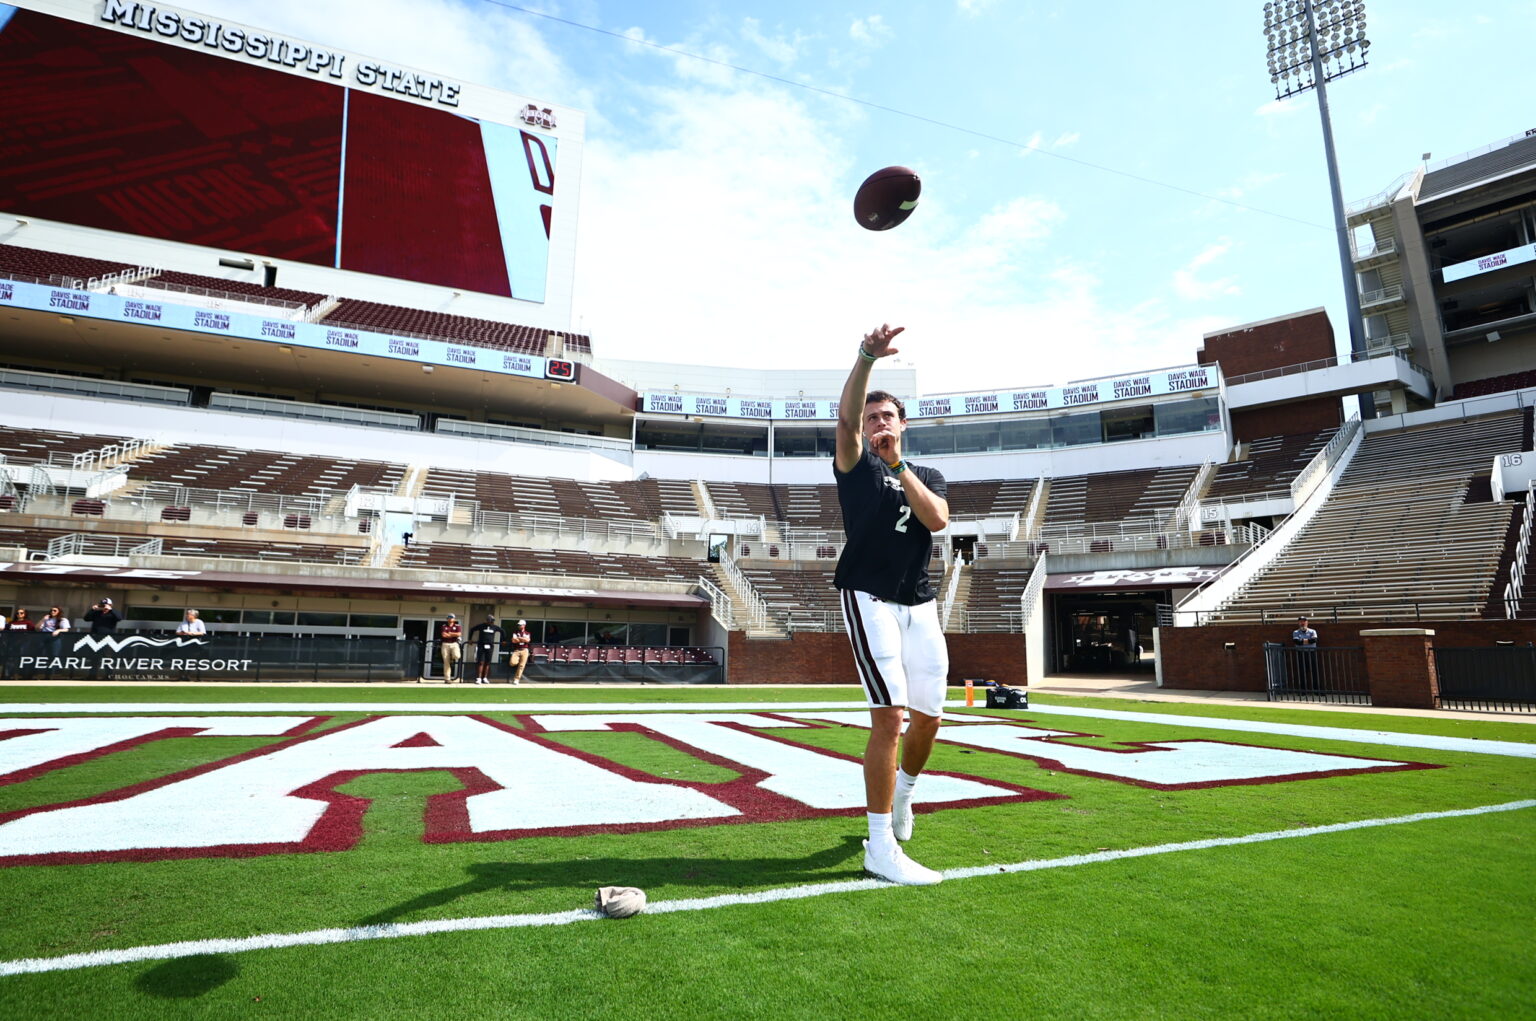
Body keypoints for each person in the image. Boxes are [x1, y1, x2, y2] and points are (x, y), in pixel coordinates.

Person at [834, 323, 951, 887]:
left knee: (930, 717)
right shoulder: (856, 464)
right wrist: (865, 359)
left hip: (920, 603)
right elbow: (845, 417)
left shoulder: (923, 473)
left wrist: (901, 466)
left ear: (903, 424)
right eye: (872, 416)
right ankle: (879, 846)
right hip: (869, 597)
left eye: (888, 416)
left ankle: (904, 796)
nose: (879, 423)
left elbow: (937, 520)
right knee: (890, 717)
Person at [467, 614, 503, 685]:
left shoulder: (494, 627)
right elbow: (472, 629)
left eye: (492, 621)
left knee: (487, 662)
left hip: (490, 646)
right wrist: (470, 639)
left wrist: (503, 640)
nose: (491, 622)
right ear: (487, 620)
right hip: (481, 646)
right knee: (480, 662)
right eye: (490, 621)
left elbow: (502, 631)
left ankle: (485, 678)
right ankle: (479, 678)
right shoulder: (481, 626)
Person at [1291, 615, 1319, 691]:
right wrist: (1308, 641)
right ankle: (1303, 690)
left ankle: (1316, 690)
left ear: (1307, 622)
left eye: (1304, 621)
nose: (1302, 623)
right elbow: (1297, 642)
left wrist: (1302, 641)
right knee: (1302, 672)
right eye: (1300, 622)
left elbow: (1314, 641)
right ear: (1298, 623)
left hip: (1311, 653)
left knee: (1314, 671)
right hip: (1301, 653)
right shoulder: (1295, 632)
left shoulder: (1312, 631)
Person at [438, 613, 463, 682]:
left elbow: (459, 634)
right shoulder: (444, 626)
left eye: (451, 617)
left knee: (457, 656)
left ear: (454, 619)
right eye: (449, 617)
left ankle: (452, 657)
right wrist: (453, 634)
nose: (450, 619)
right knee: (446, 662)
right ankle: (447, 679)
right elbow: (444, 635)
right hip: (445, 644)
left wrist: (450, 633)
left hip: (454, 643)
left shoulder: (457, 626)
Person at [506, 619, 533, 684]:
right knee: (512, 663)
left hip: (525, 650)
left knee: (521, 666)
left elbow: (528, 640)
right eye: (518, 625)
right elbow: (514, 641)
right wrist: (523, 639)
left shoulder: (527, 633)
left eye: (520, 625)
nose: (519, 626)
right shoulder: (515, 632)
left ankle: (516, 679)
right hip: (517, 650)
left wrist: (519, 638)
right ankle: (517, 663)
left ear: (524, 625)